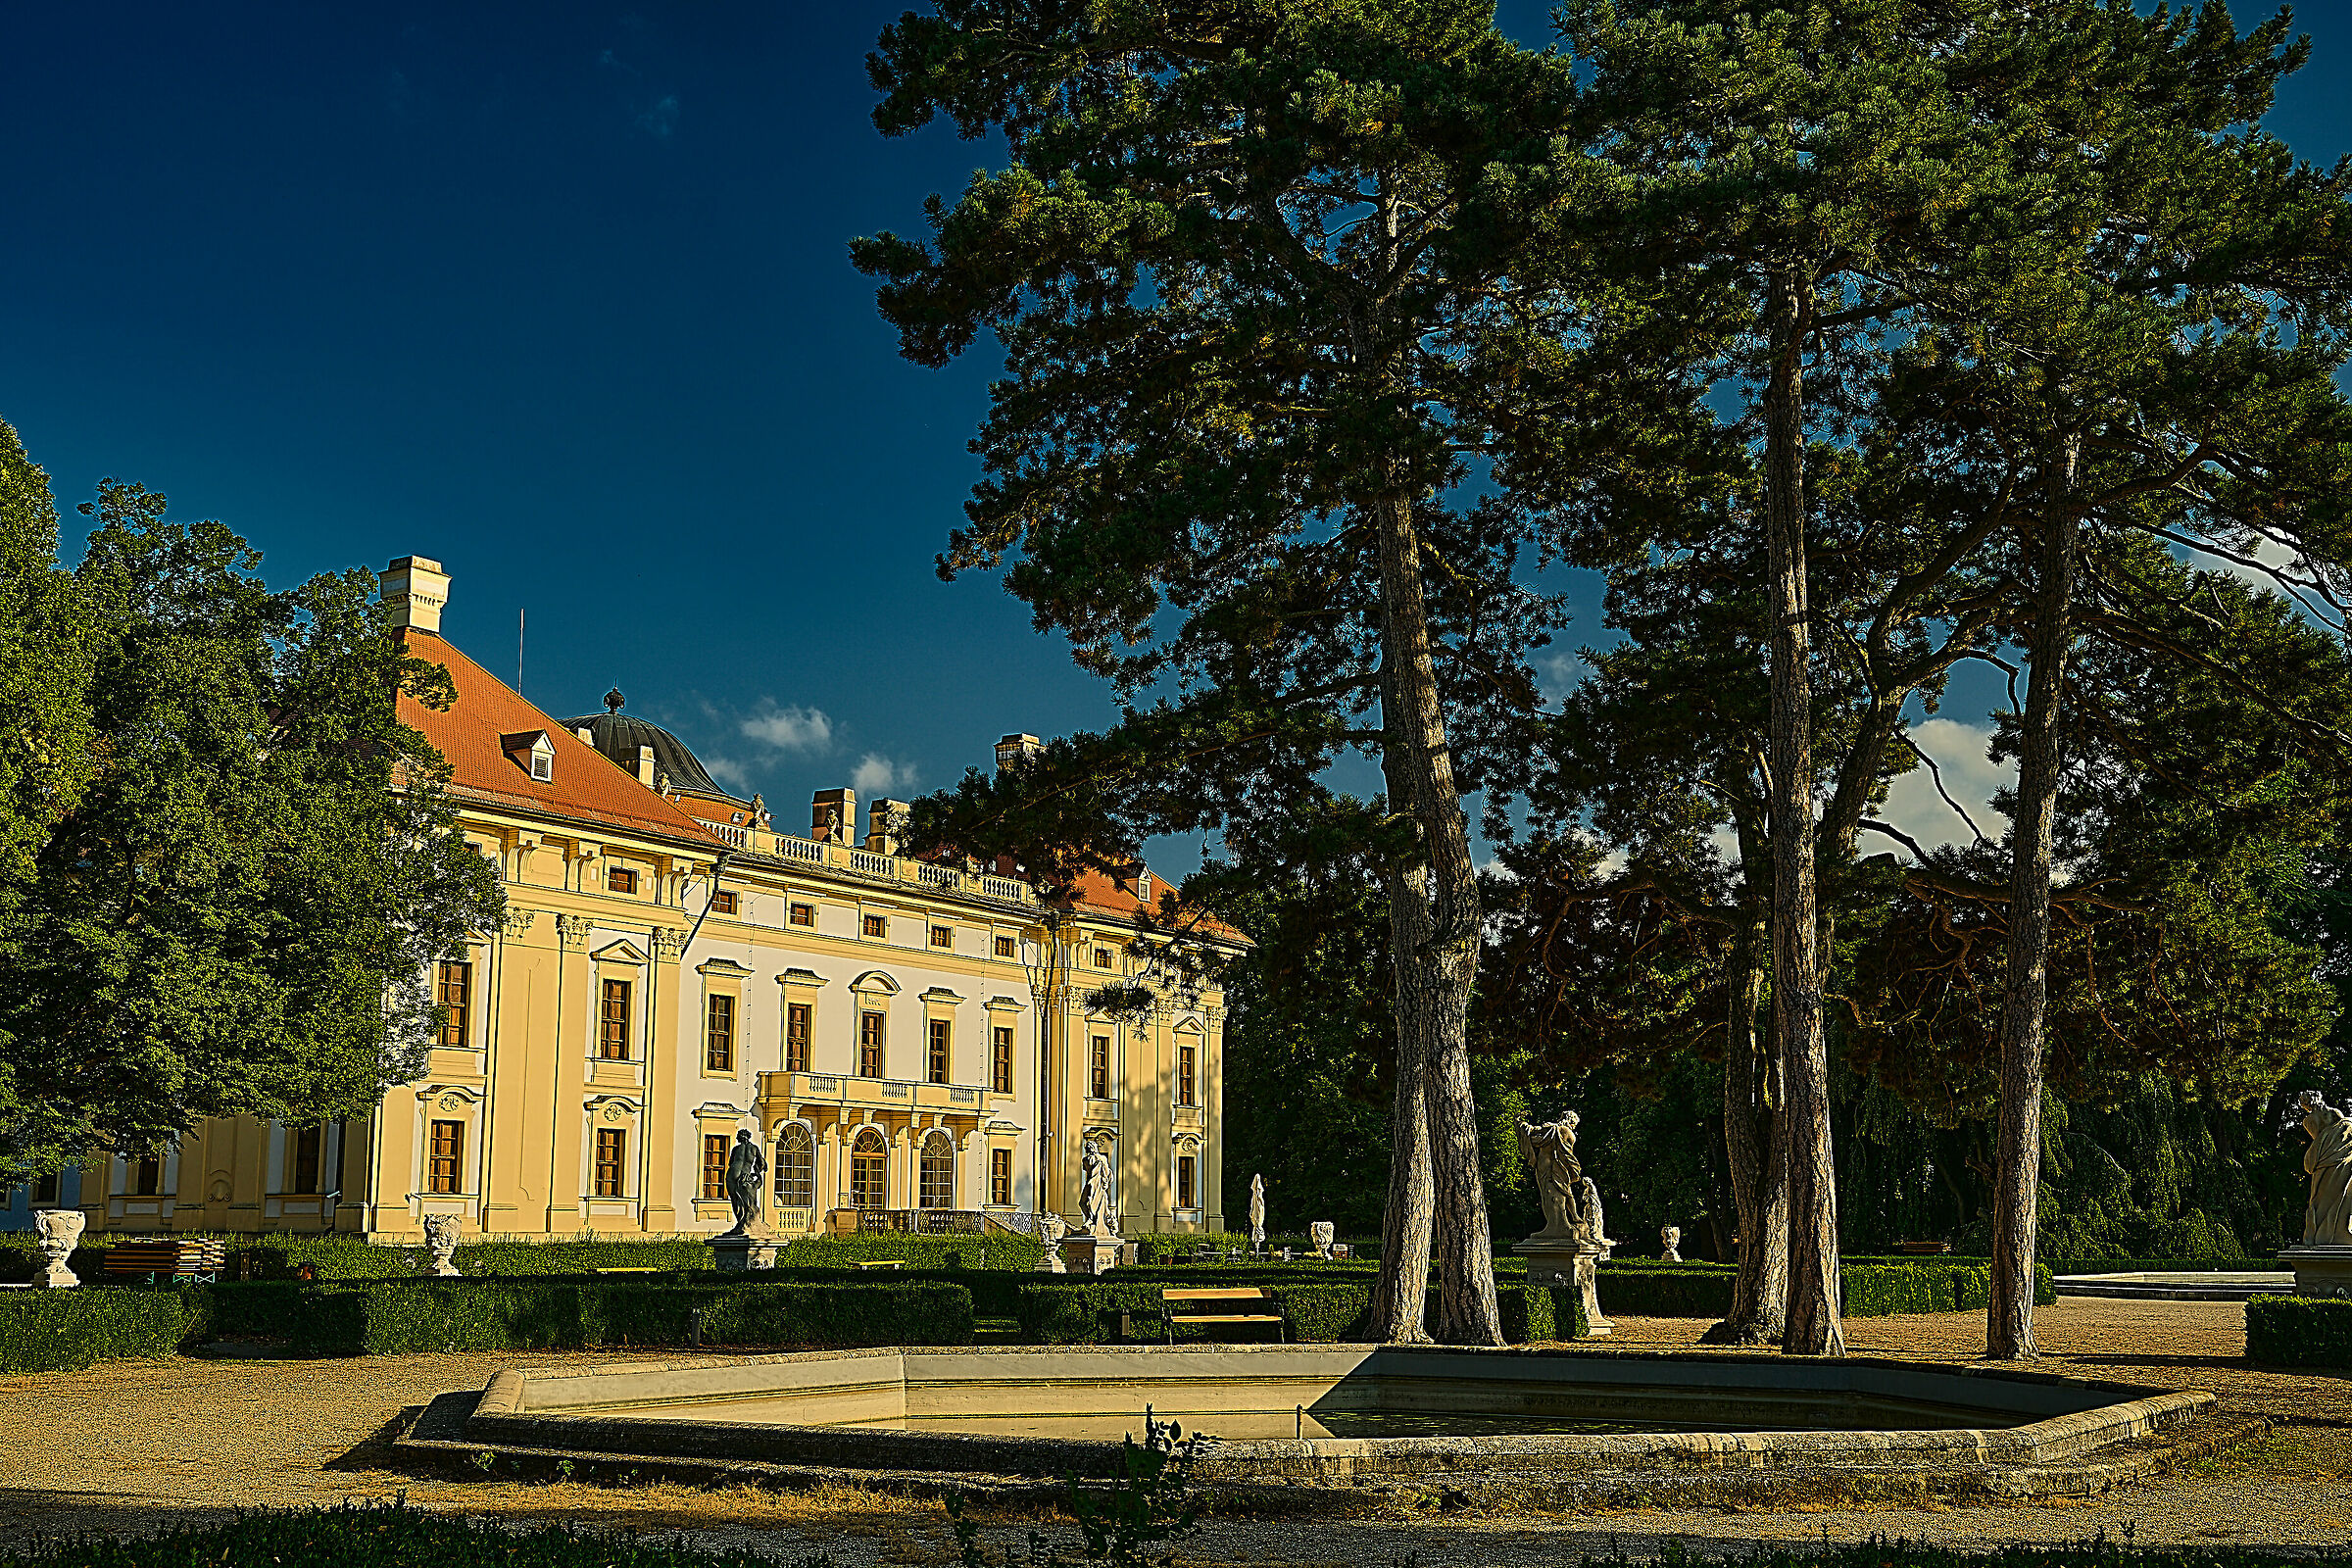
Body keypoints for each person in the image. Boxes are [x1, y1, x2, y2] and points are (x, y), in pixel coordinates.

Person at [723, 1128, 767, 1238]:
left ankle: (741, 1223)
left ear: (741, 1137)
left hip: (732, 1174)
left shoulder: (736, 1148)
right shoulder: (754, 1148)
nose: (737, 1138)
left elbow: (731, 1163)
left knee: (735, 1200)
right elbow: (761, 1163)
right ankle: (745, 1224)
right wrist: (757, 1173)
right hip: (744, 1176)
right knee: (748, 1202)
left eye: (738, 1136)